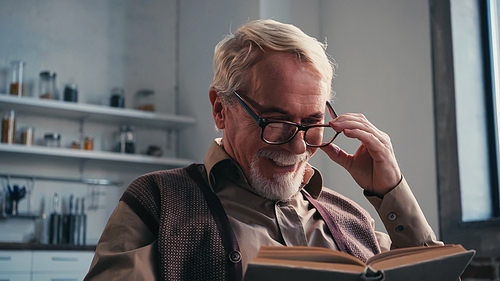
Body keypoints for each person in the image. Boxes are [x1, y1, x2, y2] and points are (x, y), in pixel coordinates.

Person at [84, 19, 441, 281]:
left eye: (312, 122)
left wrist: (391, 192)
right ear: (220, 109)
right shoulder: (157, 201)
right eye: (275, 120)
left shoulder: (353, 219)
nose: (298, 144)